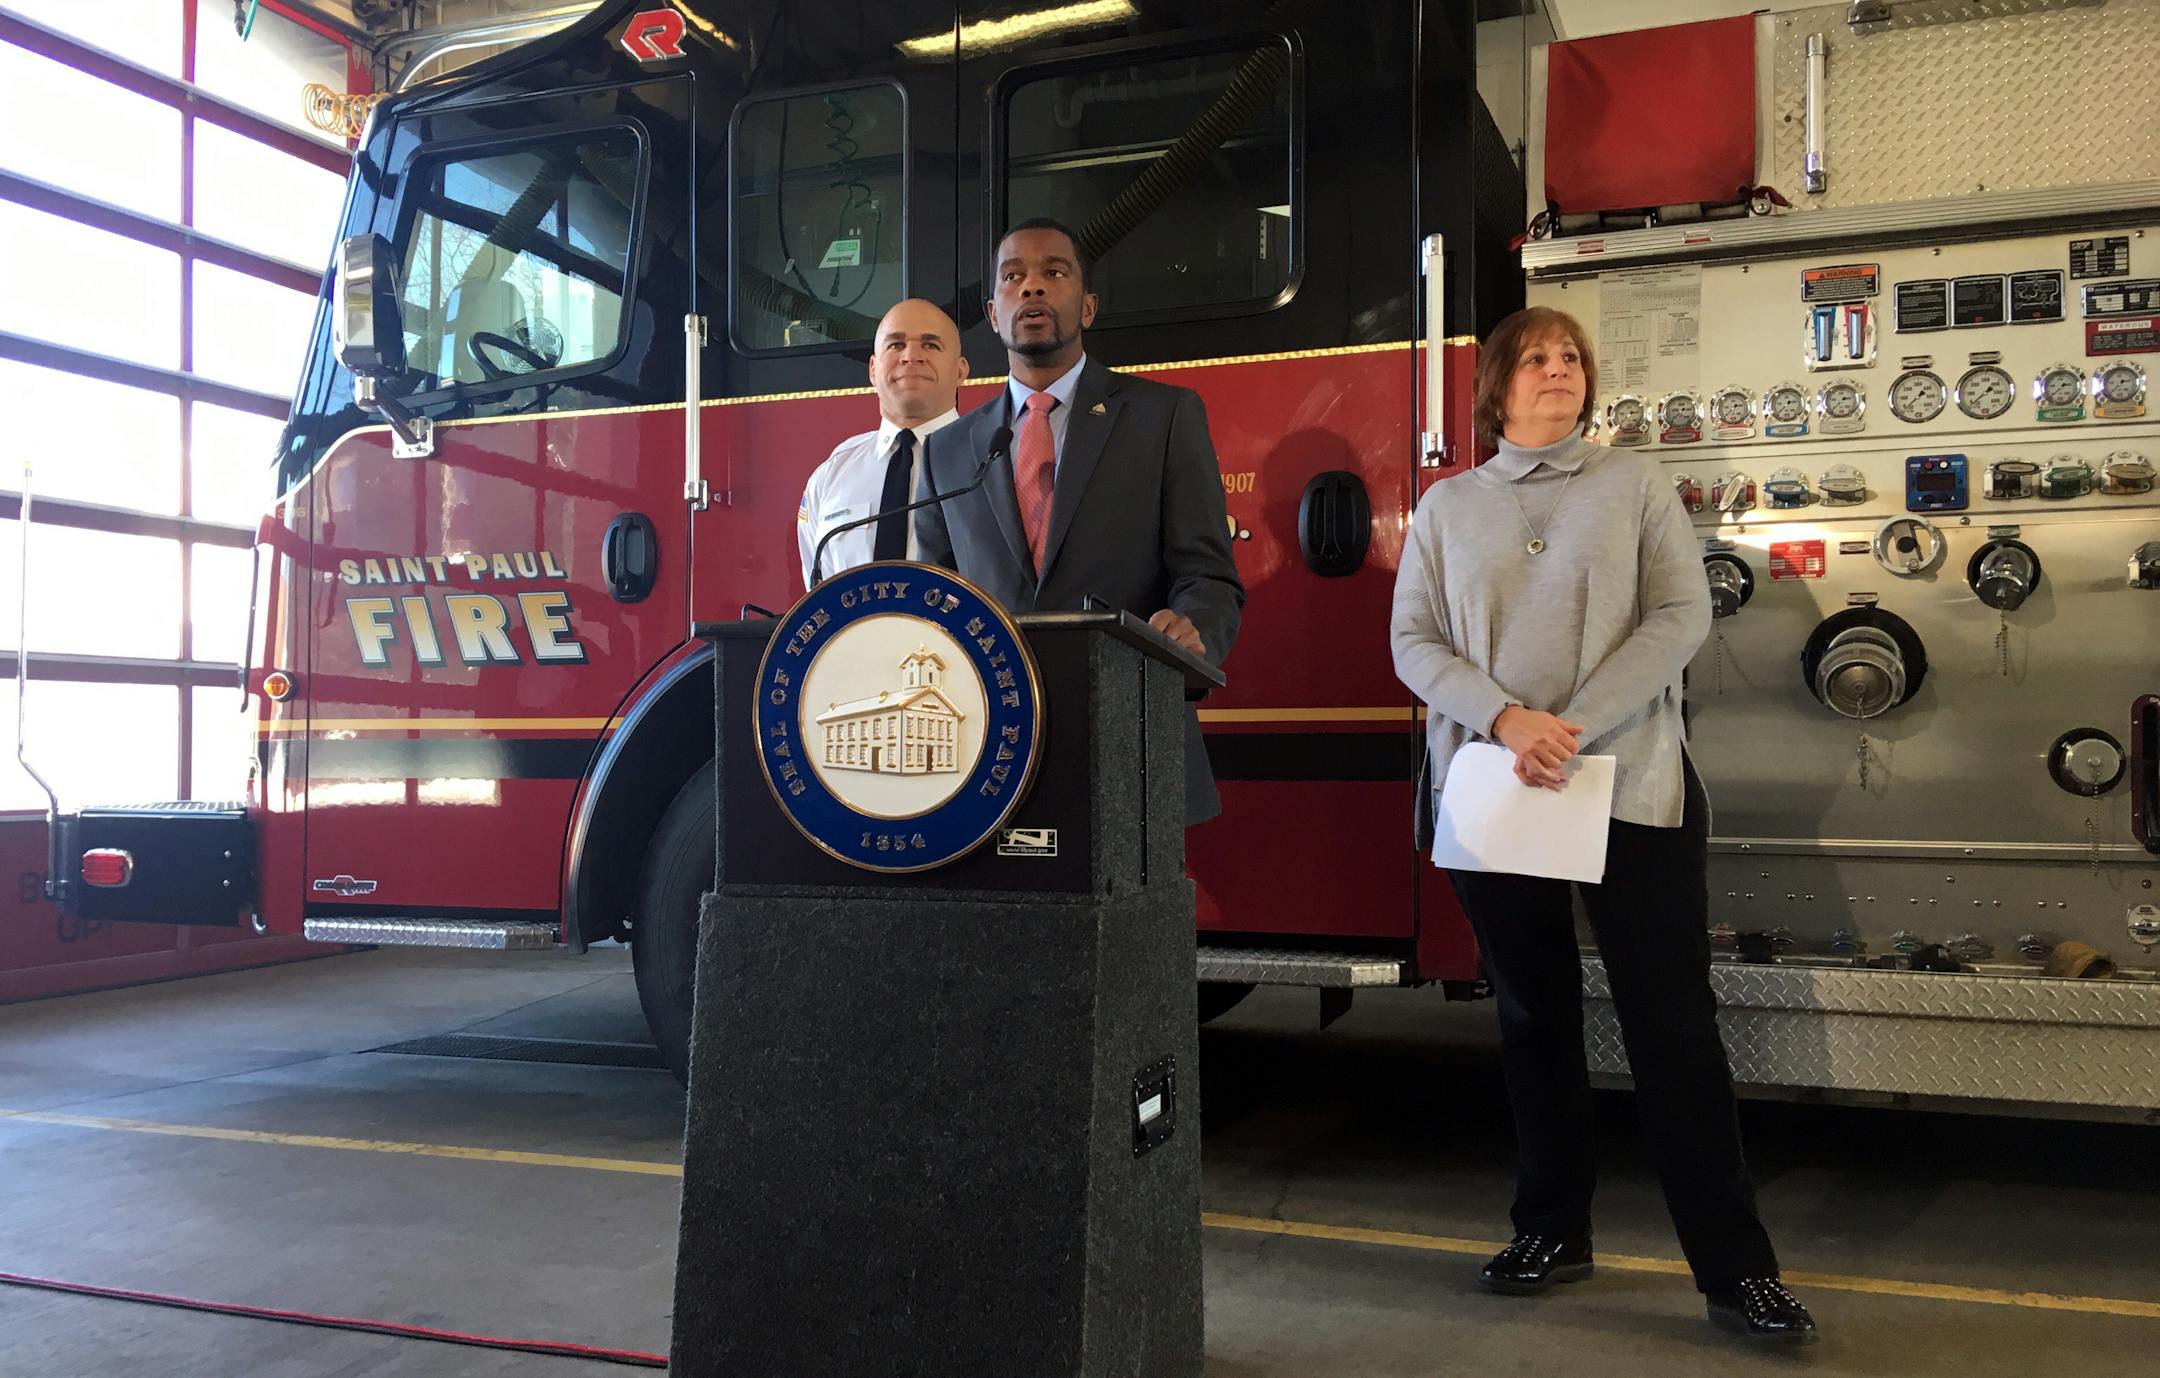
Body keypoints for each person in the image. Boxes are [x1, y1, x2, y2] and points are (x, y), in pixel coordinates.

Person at [1389, 306, 1817, 1344]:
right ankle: (1552, 1227)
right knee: (1535, 1018)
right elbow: (1413, 638)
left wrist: (1570, 726)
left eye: (1571, 358)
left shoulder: (1634, 487)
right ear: (1496, 387)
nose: (1557, 371)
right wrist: (1505, 719)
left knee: (1672, 1025)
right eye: (1536, 359)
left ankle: (1735, 1271)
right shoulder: (1447, 508)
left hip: (1633, 788)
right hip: (1499, 791)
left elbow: (1682, 615)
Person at [915, 217, 1243, 825]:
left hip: (1130, 733)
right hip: (988, 751)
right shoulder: (948, 450)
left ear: (1087, 307)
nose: (1032, 288)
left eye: (1053, 273)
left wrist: (1193, 631)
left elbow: (1208, 575)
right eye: (1014, 277)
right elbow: (933, 599)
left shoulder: (1162, 417)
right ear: (992, 313)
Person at [797, 298, 969, 587]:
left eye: (931, 345)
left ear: (960, 371)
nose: (911, 356)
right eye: (896, 345)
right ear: (873, 370)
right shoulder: (831, 477)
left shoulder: (994, 465)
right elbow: (819, 595)